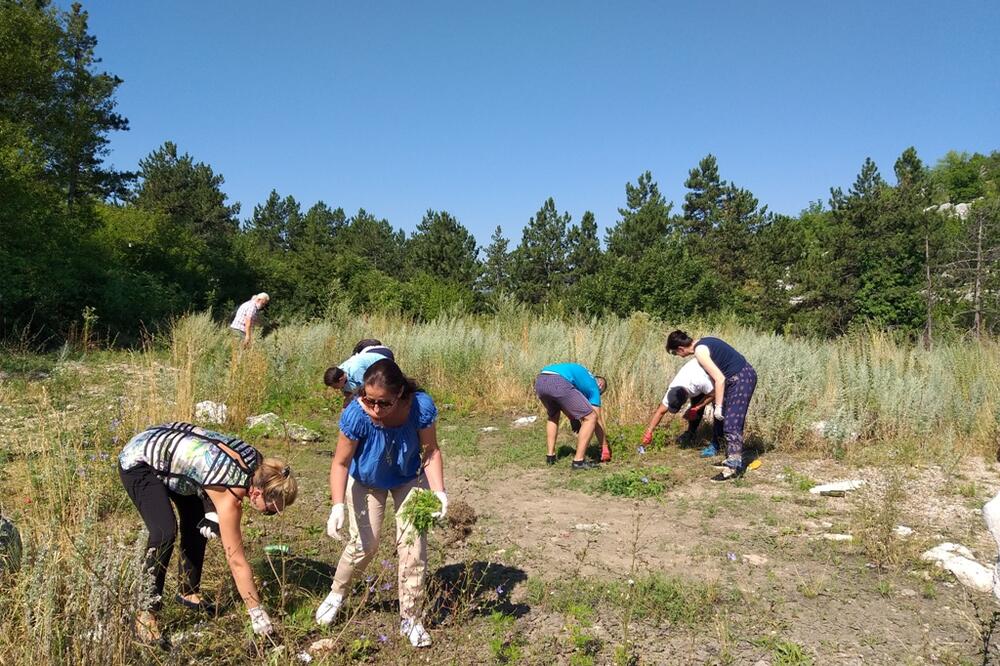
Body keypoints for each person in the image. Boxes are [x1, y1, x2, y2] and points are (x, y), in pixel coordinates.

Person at [118, 422, 298, 642]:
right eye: (271, 510)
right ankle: (145, 612)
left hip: (169, 449)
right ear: (257, 493)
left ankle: (188, 592)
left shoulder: (260, 466)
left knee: (196, 520)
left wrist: (211, 512)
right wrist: (257, 613)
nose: (273, 514)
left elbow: (208, 471)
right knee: (164, 531)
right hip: (139, 460)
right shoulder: (230, 495)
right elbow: (236, 561)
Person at [316, 358, 446, 648]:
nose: (375, 409)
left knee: (413, 546)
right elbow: (340, 463)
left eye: (384, 403)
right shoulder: (356, 414)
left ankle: (411, 618)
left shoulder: (419, 407)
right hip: (367, 480)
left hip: (408, 477)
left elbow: (430, 451)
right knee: (365, 544)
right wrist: (337, 505)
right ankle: (337, 593)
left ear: (400, 393)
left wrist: (439, 492)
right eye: (369, 400)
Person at [666, 331, 757, 481]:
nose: (678, 356)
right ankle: (730, 458)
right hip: (735, 379)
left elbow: (719, 379)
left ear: (681, 348)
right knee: (725, 419)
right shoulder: (705, 341)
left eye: (676, 353)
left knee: (732, 423)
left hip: (741, 379)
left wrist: (719, 406)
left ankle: (733, 468)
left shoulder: (700, 352)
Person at [534, 363, 610, 470]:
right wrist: (604, 446)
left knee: (553, 415)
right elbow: (597, 420)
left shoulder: (583, 378)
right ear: (601, 385)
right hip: (559, 381)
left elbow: (564, 402)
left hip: (541, 380)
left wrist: (572, 418)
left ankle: (550, 456)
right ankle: (579, 461)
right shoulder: (595, 387)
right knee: (591, 417)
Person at [641, 358, 723, 457]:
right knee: (695, 406)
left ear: (685, 398)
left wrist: (697, 407)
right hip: (697, 377)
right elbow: (660, 412)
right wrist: (649, 431)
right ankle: (691, 433)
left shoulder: (700, 381)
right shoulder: (673, 390)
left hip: (717, 370)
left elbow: (714, 393)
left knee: (719, 408)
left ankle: (718, 441)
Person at [324, 338, 395, 398]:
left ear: (341, 379)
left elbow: (368, 389)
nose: (335, 389)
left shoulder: (355, 370)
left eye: (335, 386)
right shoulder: (339, 371)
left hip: (383, 355)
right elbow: (348, 394)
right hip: (367, 354)